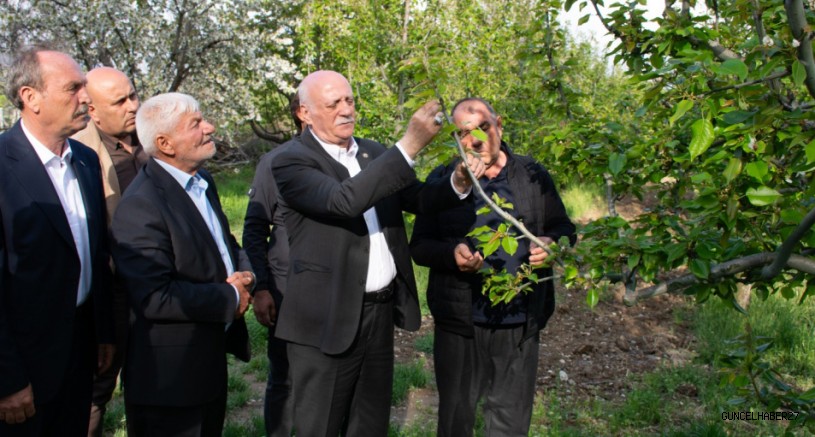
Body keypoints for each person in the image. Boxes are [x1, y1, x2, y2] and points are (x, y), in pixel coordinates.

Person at [271, 70, 484, 436]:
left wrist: (458, 182)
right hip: (325, 319)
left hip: (378, 313)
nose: (346, 110)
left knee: (369, 425)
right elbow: (343, 201)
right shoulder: (291, 161)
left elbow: (416, 198)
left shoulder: (372, 152)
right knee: (318, 426)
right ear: (305, 113)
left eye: (349, 100)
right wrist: (410, 144)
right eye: (333, 103)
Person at [410, 97, 577, 437]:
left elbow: (564, 229)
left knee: (510, 423)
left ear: (499, 125)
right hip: (460, 324)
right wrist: (451, 254)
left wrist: (552, 244)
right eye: (463, 133)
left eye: (483, 128)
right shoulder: (443, 181)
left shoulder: (532, 175)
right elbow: (420, 247)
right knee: (456, 420)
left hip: (519, 322)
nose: (475, 141)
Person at [110, 92, 254, 437]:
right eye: (197, 124)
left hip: (206, 365)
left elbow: (225, 242)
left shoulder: (203, 183)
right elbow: (155, 296)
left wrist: (246, 274)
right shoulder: (141, 205)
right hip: (170, 383)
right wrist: (230, 298)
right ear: (165, 143)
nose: (210, 127)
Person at [0, 45, 114, 436]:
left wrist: (102, 332)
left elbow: (94, 254)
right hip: (23, 367)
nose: (86, 97)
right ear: (30, 97)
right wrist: (7, 378)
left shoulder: (84, 159)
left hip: (79, 351)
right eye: (72, 88)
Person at [72, 66, 147, 437]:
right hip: (113, 287)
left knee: (153, 381)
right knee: (98, 385)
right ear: (93, 111)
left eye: (133, 94)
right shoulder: (81, 151)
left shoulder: (153, 136)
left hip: (157, 283)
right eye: (120, 101)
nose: (132, 105)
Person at [241, 93, 303, 436]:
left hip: (336, 292)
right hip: (285, 290)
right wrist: (261, 287)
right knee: (285, 378)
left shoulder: (350, 160)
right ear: (301, 113)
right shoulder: (275, 162)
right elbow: (254, 228)